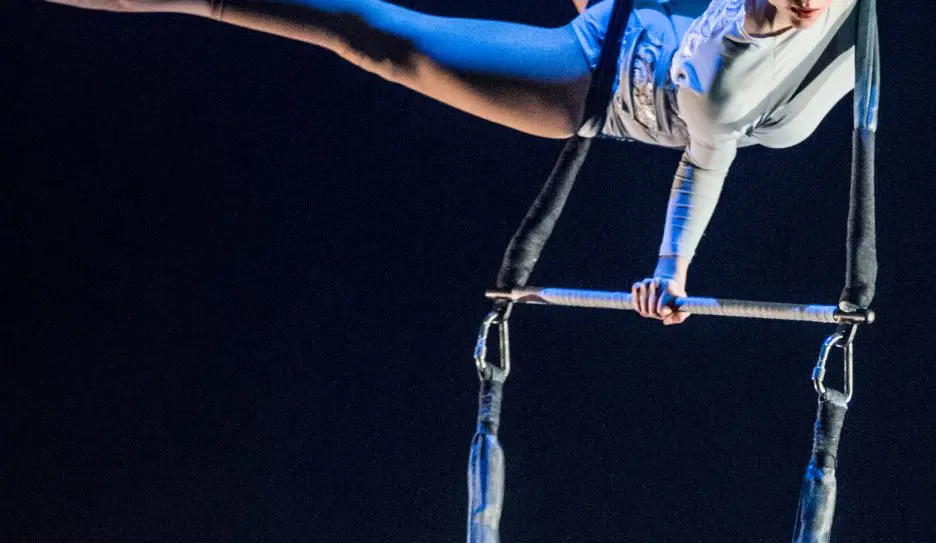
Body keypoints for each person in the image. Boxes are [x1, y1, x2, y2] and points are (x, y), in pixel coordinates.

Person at [42, 0, 859, 325]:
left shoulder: (722, 94)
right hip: (633, 27)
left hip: (597, 86)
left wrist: (668, 272)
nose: (784, 11)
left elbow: (701, 169)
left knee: (383, 46)